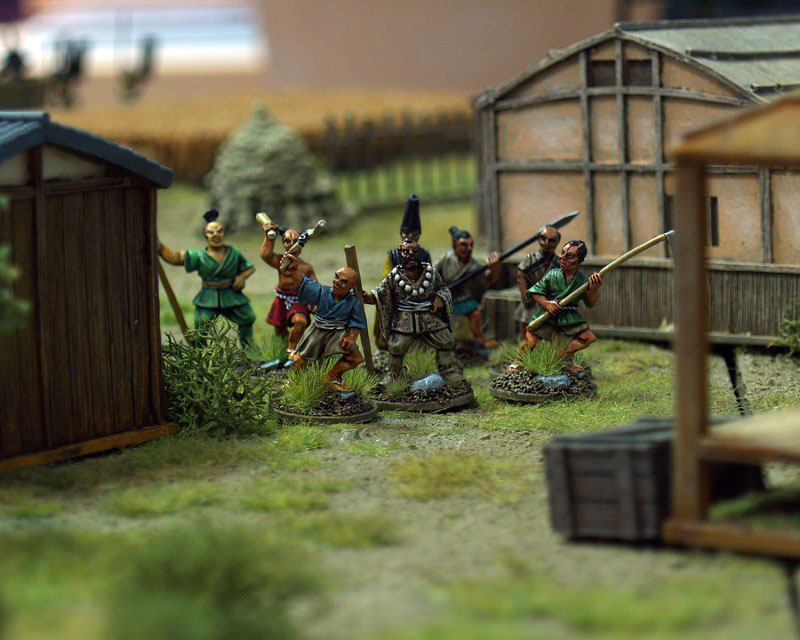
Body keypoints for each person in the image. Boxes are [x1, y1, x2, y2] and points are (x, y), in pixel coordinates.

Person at [363, 241, 465, 386]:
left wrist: (439, 298)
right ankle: (394, 375)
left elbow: (443, 289)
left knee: (445, 340)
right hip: (404, 319)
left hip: (428, 316)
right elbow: (381, 293)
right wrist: (367, 297)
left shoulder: (431, 273)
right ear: (400, 254)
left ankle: (448, 371)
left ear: (420, 253)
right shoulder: (394, 276)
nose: (411, 255)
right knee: (397, 346)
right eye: (406, 252)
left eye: (415, 251)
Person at [158, 209, 256, 347]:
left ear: (224, 233)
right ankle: (201, 352)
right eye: (211, 232)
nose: (216, 235)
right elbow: (174, 258)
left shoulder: (233, 253)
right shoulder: (199, 257)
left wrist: (241, 277)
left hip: (231, 294)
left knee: (248, 317)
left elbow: (249, 267)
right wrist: (159, 247)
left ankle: (250, 349)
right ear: (205, 235)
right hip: (208, 297)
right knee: (201, 325)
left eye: (219, 231)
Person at [281, 255, 366, 391]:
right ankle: (292, 382)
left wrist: (351, 336)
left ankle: (332, 377)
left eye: (343, 281)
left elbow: (356, 322)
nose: (337, 282)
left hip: (338, 334)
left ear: (351, 287)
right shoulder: (322, 292)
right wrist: (293, 269)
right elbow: (303, 282)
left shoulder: (353, 302)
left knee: (355, 358)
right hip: (317, 331)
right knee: (301, 359)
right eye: (336, 277)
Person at [521, 240, 602, 371]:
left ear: (579, 260)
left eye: (570, 256)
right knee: (532, 339)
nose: (562, 258)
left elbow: (591, 303)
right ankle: (518, 362)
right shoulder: (552, 275)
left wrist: (593, 290)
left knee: (587, 338)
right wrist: (547, 304)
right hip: (550, 313)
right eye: (562, 253)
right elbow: (535, 291)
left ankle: (561, 359)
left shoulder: (582, 281)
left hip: (569, 316)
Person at [374, 193, 432, 350]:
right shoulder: (393, 255)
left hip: (418, 294)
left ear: (419, 236)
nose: (409, 238)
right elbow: (386, 277)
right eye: (406, 234)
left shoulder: (424, 255)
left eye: (413, 235)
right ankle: (385, 342)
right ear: (401, 234)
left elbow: (430, 275)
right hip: (397, 293)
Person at [434, 226, 500, 348]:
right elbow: (433, 272)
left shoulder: (474, 265)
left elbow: (488, 280)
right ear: (455, 245)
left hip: (463, 296)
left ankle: (479, 337)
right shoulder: (446, 258)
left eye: (471, 245)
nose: (469, 248)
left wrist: (494, 268)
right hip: (445, 295)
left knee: (475, 314)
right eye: (464, 245)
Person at [259, 221, 317, 356]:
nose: (291, 244)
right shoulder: (280, 261)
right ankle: (282, 355)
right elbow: (265, 256)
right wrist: (269, 238)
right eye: (287, 241)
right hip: (281, 299)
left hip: (298, 300)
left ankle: (294, 350)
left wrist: (314, 302)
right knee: (280, 331)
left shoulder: (306, 267)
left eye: (295, 241)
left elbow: (314, 287)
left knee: (300, 321)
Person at [515, 225, 561, 338]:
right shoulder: (530, 259)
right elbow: (520, 276)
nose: (546, 243)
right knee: (527, 331)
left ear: (557, 242)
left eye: (551, 240)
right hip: (531, 300)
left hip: (549, 302)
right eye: (543, 238)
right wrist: (525, 295)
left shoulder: (559, 262)